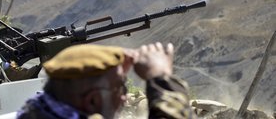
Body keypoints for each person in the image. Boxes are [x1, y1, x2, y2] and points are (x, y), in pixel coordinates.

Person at [17, 42, 197, 119]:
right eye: (121, 88)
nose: (125, 98)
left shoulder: (35, 112)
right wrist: (161, 79)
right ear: (93, 100)